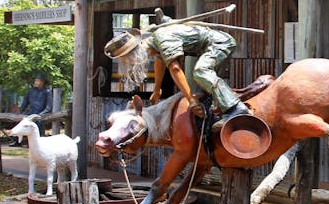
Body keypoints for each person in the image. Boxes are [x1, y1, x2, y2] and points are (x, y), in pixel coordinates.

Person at [104, 13, 249, 132]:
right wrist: (156, 89)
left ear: (134, 53)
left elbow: (175, 68)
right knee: (204, 84)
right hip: (208, 48)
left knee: (201, 72)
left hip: (220, 43)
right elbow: (160, 62)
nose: (130, 64)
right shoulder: (155, 43)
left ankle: (236, 108)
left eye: (128, 60)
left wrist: (191, 100)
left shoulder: (163, 39)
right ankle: (218, 112)